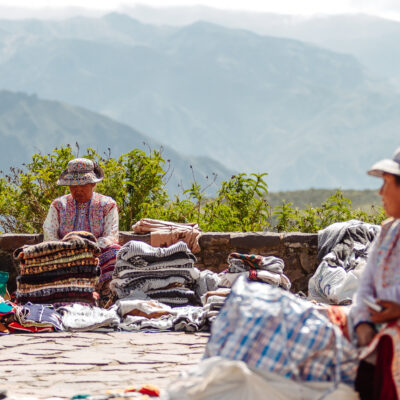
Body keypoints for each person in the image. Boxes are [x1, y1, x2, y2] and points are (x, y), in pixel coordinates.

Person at [350, 147, 400, 399]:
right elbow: (365, 288)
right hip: (377, 332)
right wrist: (362, 324)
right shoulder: (387, 232)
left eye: (387, 183)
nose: (381, 192)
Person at [43, 158, 121, 307]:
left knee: (115, 252)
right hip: (65, 257)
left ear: (93, 183)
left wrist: (89, 251)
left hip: (97, 257)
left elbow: (112, 235)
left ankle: (105, 299)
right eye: (73, 185)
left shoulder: (107, 205)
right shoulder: (59, 205)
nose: (77, 189)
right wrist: (67, 250)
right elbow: (49, 233)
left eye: (83, 184)